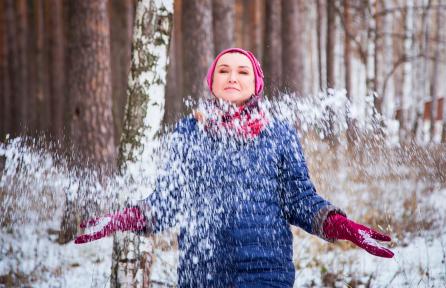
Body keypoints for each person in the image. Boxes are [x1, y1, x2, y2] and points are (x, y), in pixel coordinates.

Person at [75, 48, 394, 287]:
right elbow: (169, 202)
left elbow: (300, 201)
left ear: (256, 82)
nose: (232, 77)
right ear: (211, 81)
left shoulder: (278, 132)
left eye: (242, 72)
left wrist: (345, 227)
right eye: (224, 70)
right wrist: (121, 219)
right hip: (203, 274)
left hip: (267, 274)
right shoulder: (189, 133)